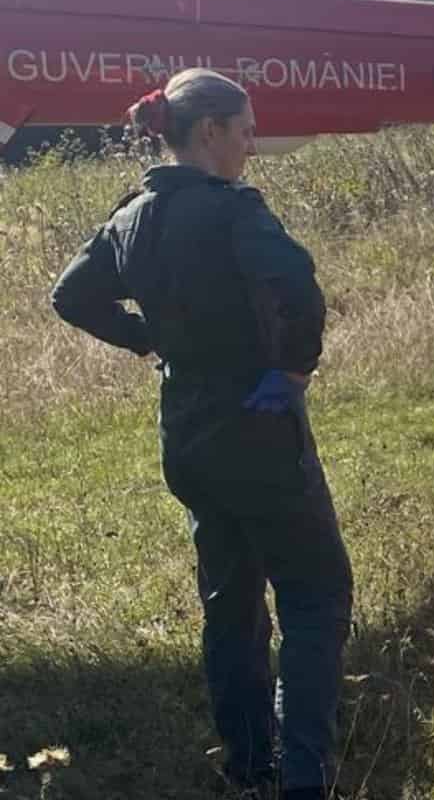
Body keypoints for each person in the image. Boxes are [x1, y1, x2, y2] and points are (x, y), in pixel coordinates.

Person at [49, 70, 349, 800]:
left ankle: (250, 767)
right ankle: (304, 779)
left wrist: (146, 339)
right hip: (258, 423)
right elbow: (300, 286)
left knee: (231, 600)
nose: (252, 143)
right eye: (245, 129)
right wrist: (296, 369)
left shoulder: (134, 214)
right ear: (208, 132)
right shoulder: (232, 211)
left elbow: (71, 294)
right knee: (315, 595)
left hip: (186, 431)